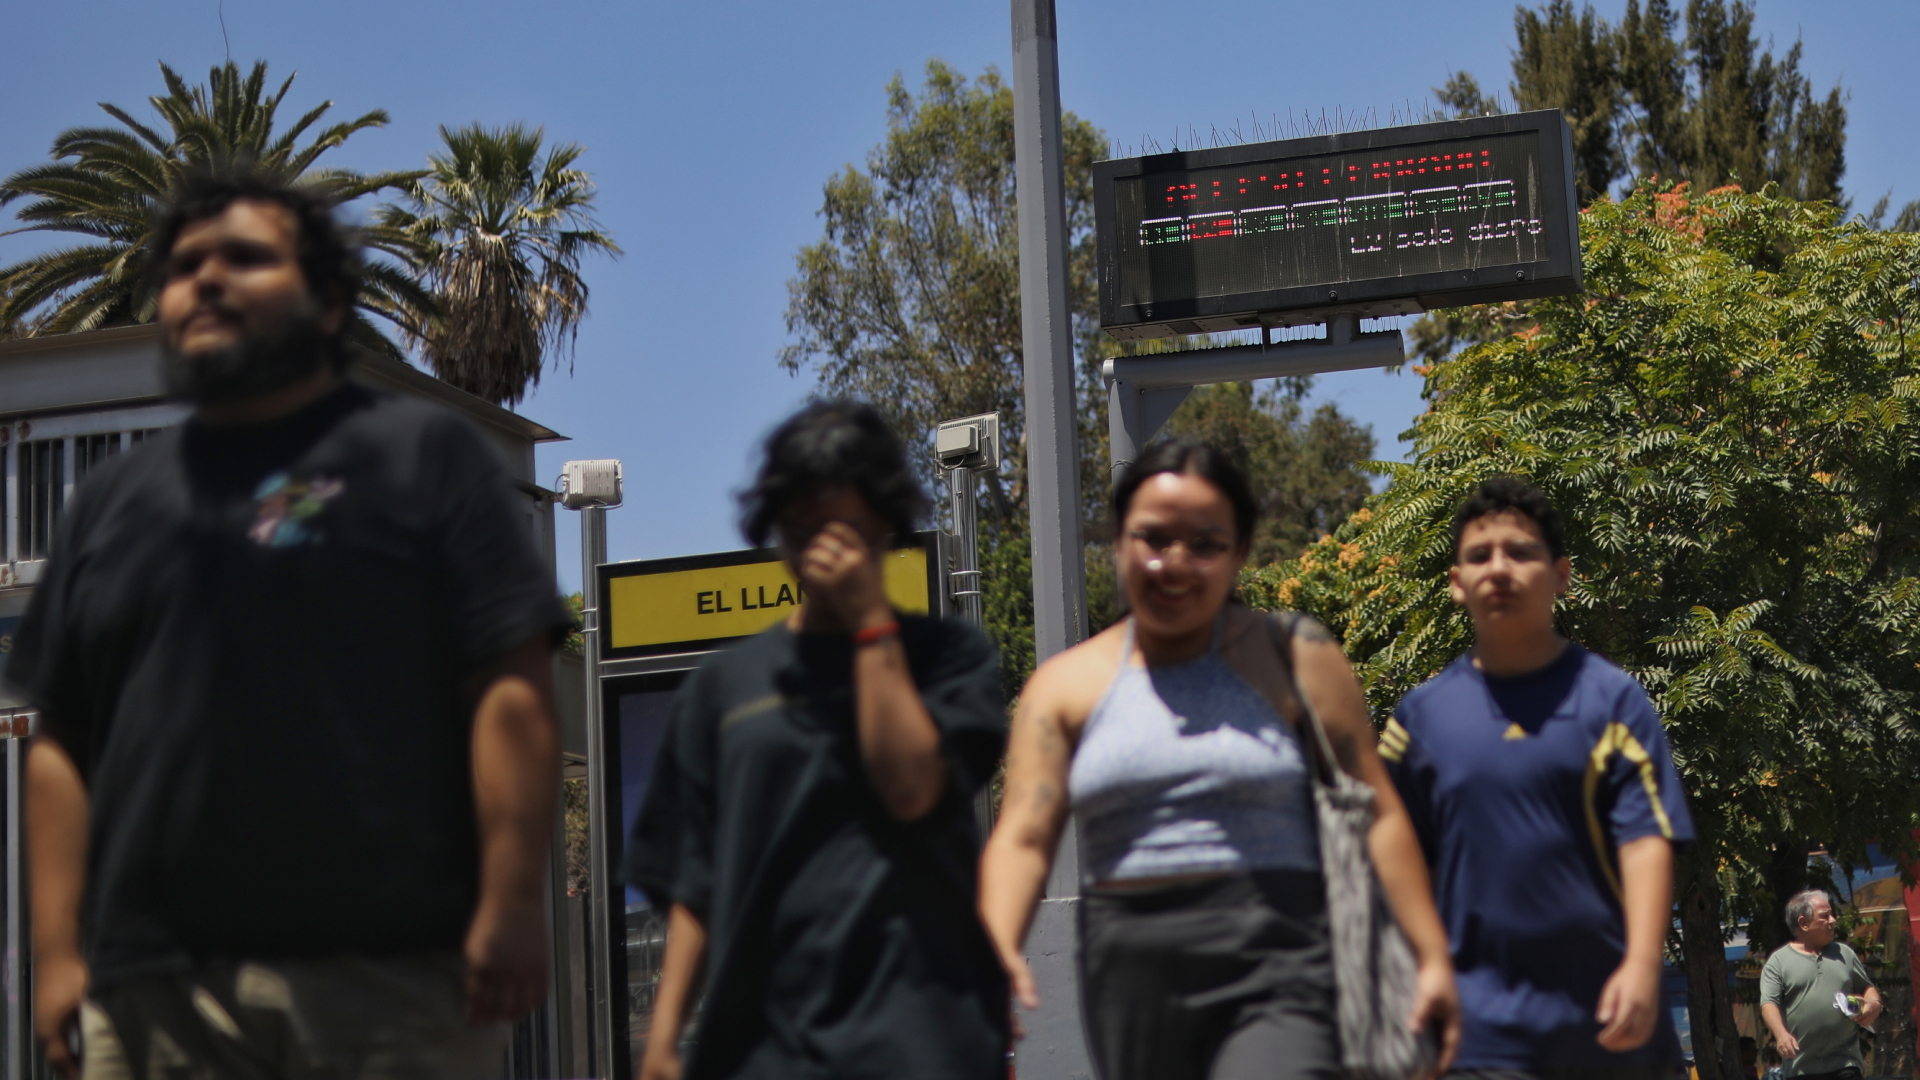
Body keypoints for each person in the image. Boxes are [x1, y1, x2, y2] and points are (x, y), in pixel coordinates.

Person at [6, 171, 570, 1079]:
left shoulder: (426, 459)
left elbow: (512, 686)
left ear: (329, 301)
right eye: (186, 265)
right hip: (153, 995)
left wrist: (511, 900)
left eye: (246, 257)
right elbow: (59, 742)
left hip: (388, 981)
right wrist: (60, 954)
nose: (208, 280)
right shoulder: (110, 503)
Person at [979, 438, 1461, 1080]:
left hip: (1279, 958)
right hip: (1129, 972)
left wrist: (1431, 955)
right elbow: (1023, 837)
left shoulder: (1298, 658)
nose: (1175, 563)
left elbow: (1379, 814)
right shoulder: (1065, 687)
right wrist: (994, 951)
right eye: (1152, 539)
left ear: (1239, 554)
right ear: (1118, 543)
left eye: (1205, 544)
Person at [625, 401, 1010, 1080]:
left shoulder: (951, 660)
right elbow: (696, 878)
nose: (826, 554)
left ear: (887, 527)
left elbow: (913, 788)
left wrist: (868, 624)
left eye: (848, 531)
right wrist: (663, 1036)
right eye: (804, 532)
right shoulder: (725, 688)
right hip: (765, 1048)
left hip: (922, 1037)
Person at [1380, 476, 1696, 1080]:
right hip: (1477, 1034)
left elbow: (1646, 840)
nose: (1499, 569)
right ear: (1456, 583)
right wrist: (1421, 969)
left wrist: (1642, 966)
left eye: (1521, 552)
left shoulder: (1614, 702)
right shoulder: (1419, 719)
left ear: (1561, 575)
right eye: (1479, 555)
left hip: (1608, 1017)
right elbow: (1388, 847)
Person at [1759, 889, 1881, 1080]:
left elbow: (1867, 988)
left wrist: (1873, 1005)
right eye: (1825, 916)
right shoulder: (1779, 961)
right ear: (1803, 923)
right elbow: (1768, 1003)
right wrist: (1781, 1034)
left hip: (1845, 1063)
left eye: (1832, 914)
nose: (1833, 920)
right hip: (1801, 1068)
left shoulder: (1845, 953)